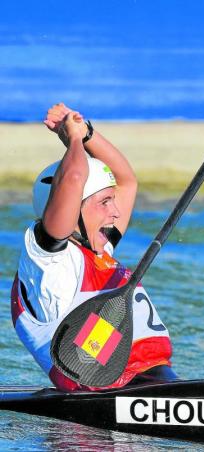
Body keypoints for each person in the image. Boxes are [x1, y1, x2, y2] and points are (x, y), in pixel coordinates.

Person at [11, 103, 177, 391]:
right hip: (109, 399)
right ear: (71, 207)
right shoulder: (50, 264)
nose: (115, 212)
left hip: (157, 385)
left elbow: (127, 181)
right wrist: (73, 139)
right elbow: (74, 178)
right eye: (104, 202)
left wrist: (86, 132)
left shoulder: (99, 251)